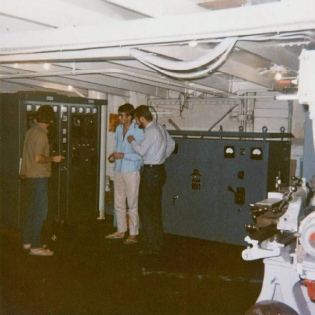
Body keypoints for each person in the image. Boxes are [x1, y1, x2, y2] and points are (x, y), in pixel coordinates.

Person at [127, 105, 175, 255]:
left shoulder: (149, 131)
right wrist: (160, 158)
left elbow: (141, 150)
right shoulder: (160, 128)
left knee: (145, 209)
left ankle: (150, 245)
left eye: (136, 119)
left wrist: (132, 141)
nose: (136, 122)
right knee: (155, 209)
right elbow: (172, 144)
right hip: (160, 170)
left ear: (142, 118)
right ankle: (157, 242)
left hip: (151, 173)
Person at [20, 105, 63, 256]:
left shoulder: (31, 131)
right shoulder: (42, 135)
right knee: (41, 211)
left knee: (31, 209)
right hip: (39, 177)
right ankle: (36, 246)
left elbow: (26, 155)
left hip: (30, 176)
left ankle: (28, 241)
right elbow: (38, 158)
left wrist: (23, 172)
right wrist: (53, 159)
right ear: (51, 119)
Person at [105, 103, 144, 244]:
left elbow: (141, 155)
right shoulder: (118, 128)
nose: (119, 117)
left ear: (129, 117)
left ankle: (133, 234)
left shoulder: (139, 131)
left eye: (122, 115)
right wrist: (112, 155)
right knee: (119, 202)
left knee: (132, 204)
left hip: (131, 171)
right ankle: (121, 230)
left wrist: (123, 155)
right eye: (119, 114)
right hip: (118, 170)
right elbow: (117, 148)